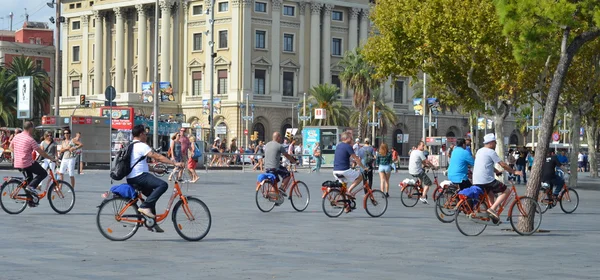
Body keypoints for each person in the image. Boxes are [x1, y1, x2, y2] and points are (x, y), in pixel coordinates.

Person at [126, 125, 184, 232]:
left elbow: (141, 165)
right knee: (163, 185)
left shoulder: (132, 145)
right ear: (141, 134)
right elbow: (157, 156)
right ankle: (144, 207)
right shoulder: (141, 146)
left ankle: (151, 223)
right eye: (145, 134)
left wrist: (156, 170)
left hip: (133, 176)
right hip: (139, 176)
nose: (146, 136)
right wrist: (174, 163)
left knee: (151, 196)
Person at [472, 134, 521, 223]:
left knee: (490, 194)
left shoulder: (479, 151)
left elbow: (485, 165)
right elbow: (503, 164)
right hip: (486, 180)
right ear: (491, 143)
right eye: (495, 143)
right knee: (506, 191)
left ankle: (493, 215)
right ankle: (492, 209)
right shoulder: (491, 152)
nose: (495, 145)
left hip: (476, 180)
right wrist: (514, 172)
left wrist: (496, 171)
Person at [9, 122, 57, 207]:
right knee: (43, 173)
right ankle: (31, 187)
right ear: (30, 128)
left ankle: (31, 201)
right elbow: (40, 152)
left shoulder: (17, 136)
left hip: (18, 162)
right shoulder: (30, 139)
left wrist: (17, 153)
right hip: (27, 162)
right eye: (33, 128)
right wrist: (51, 158)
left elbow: (10, 147)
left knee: (30, 178)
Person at [332, 132, 365, 211]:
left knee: (343, 188)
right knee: (360, 177)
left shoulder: (338, 146)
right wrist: (364, 167)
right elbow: (356, 158)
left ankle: (347, 206)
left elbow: (343, 157)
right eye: (351, 138)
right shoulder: (348, 146)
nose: (352, 140)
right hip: (344, 170)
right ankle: (349, 191)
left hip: (335, 171)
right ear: (347, 138)